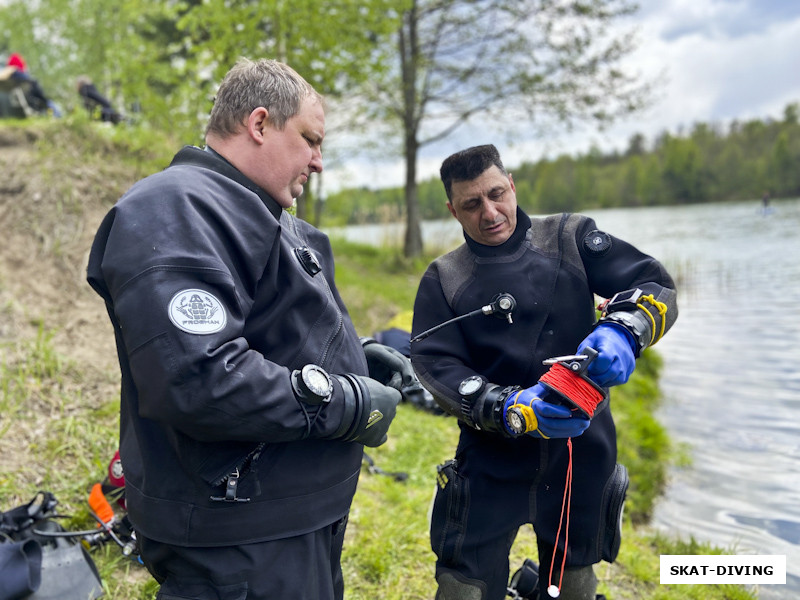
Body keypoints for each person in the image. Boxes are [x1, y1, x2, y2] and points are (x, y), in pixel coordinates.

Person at [86, 58, 411, 600]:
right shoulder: (176, 208)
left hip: (286, 520)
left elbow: (274, 331)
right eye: (310, 139)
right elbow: (198, 378)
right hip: (238, 537)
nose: (319, 161)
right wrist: (348, 403)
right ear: (259, 124)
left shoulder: (259, 211)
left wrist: (357, 355)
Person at [410, 144, 678, 600]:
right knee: (462, 589)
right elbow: (433, 362)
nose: (490, 212)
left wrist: (625, 330)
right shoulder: (444, 277)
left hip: (580, 455)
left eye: (497, 194)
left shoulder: (571, 238)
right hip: (490, 458)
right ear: (453, 210)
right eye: (472, 204)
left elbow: (655, 285)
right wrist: (508, 406)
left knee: (571, 588)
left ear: (512, 185)